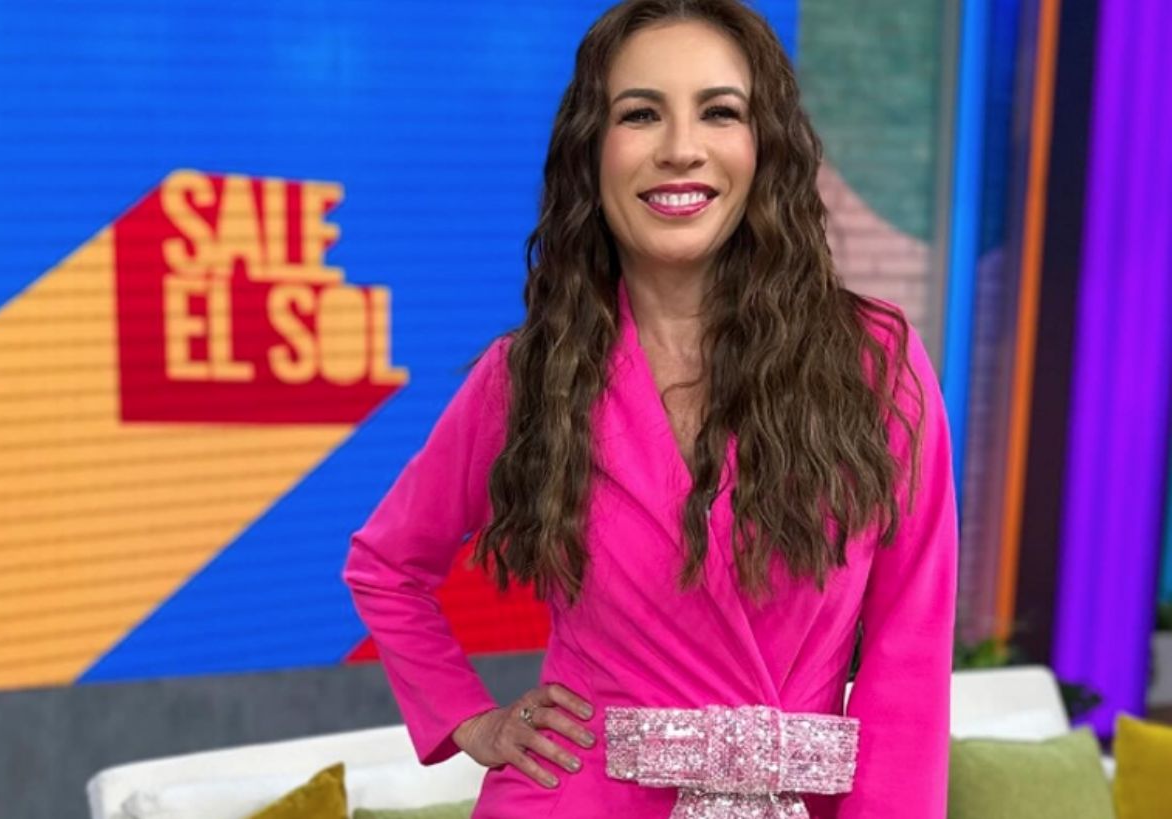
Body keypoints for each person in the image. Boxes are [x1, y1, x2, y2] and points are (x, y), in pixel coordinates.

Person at [342, 1, 957, 816]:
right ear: (591, 150)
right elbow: (386, 566)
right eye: (640, 114)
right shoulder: (528, 377)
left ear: (765, 145)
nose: (680, 148)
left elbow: (911, 649)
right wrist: (470, 717)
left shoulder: (873, 362)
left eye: (720, 111)